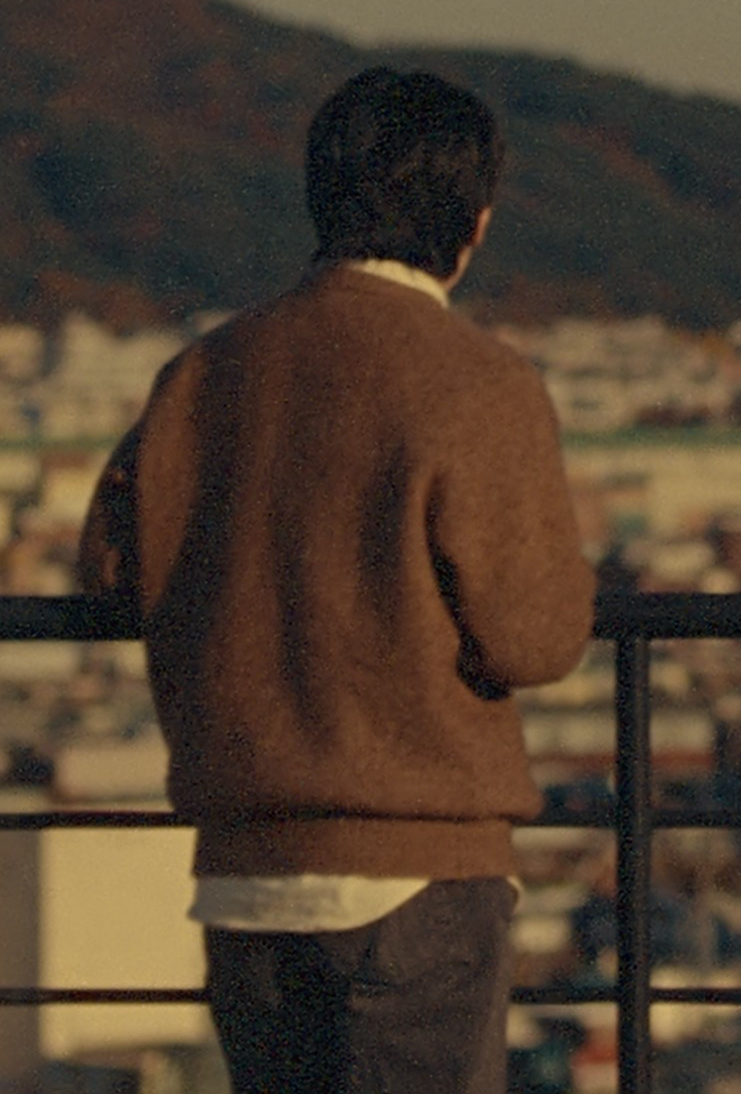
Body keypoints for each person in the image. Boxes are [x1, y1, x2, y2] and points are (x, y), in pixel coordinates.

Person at [78, 67, 598, 1094]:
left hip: (243, 875)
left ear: (321, 199)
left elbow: (108, 573)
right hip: (416, 865)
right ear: (475, 223)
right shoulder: (479, 381)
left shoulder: (204, 372)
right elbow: (534, 638)